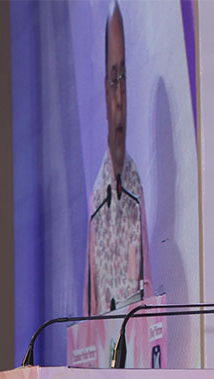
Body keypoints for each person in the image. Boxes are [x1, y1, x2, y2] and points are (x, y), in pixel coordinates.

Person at [85, 1, 152, 314]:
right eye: (114, 79)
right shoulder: (97, 202)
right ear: (105, 90)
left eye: (124, 78)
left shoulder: (137, 192)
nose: (120, 97)